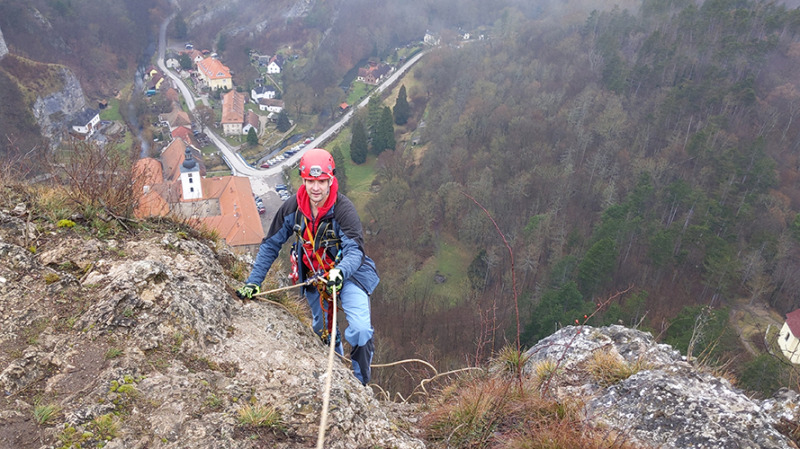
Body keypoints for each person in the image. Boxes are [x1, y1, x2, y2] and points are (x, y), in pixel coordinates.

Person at [236, 148, 379, 385]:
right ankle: (338, 378)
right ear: (303, 180)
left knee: (361, 330)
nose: (316, 188)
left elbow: (355, 250)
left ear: (331, 179)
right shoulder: (292, 209)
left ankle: (361, 383)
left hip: (350, 276)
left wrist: (340, 272)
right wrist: (254, 282)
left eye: (321, 181)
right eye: (311, 181)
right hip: (315, 278)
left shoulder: (343, 210)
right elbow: (270, 245)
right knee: (323, 333)